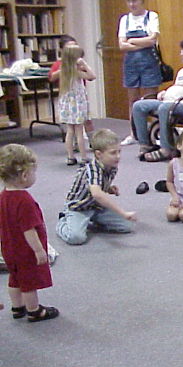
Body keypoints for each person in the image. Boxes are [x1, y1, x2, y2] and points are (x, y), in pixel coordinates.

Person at [0, 144, 59, 322]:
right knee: (28, 281)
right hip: (25, 250)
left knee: (15, 277)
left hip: (8, 248)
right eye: (34, 172)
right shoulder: (24, 200)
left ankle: (17, 307)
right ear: (25, 175)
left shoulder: (3, 196)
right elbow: (29, 229)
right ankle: (34, 310)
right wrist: (39, 250)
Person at [133, 37, 183, 162]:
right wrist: (165, 92)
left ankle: (166, 149)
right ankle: (145, 144)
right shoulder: (182, 72)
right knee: (139, 105)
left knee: (165, 107)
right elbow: (177, 88)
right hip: (171, 103)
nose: (181, 54)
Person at [56, 129, 137, 245]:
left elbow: (97, 186)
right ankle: (64, 221)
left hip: (96, 206)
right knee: (76, 237)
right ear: (99, 154)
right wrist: (123, 213)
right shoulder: (92, 169)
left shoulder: (112, 166)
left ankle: (89, 222)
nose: (118, 156)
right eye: (113, 153)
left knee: (127, 226)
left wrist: (108, 188)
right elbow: (97, 194)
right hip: (79, 208)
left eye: (119, 152)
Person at [118, 0, 162, 146]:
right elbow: (122, 45)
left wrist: (131, 40)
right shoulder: (125, 19)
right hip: (131, 65)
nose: (132, 4)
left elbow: (152, 40)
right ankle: (134, 133)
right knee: (133, 101)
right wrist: (142, 42)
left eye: (135, 0)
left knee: (152, 100)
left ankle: (156, 133)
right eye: (129, 1)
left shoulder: (152, 16)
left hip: (149, 63)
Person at [49, 35, 95, 144]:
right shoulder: (59, 64)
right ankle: (75, 143)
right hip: (69, 97)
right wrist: (66, 68)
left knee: (87, 120)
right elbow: (51, 77)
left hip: (80, 96)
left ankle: (93, 142)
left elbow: (91, 76)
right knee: (72, 124)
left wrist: (82, 65)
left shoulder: (79, 63)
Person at [58, 44, 96, 166]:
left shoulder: (63, 71)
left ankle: (70, 157)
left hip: (67, 104)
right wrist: (84, 64)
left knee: (70, 131)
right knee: (79, 131)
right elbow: (92, 76)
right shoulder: (76, 72)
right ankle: (84, 157)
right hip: (77, 104)